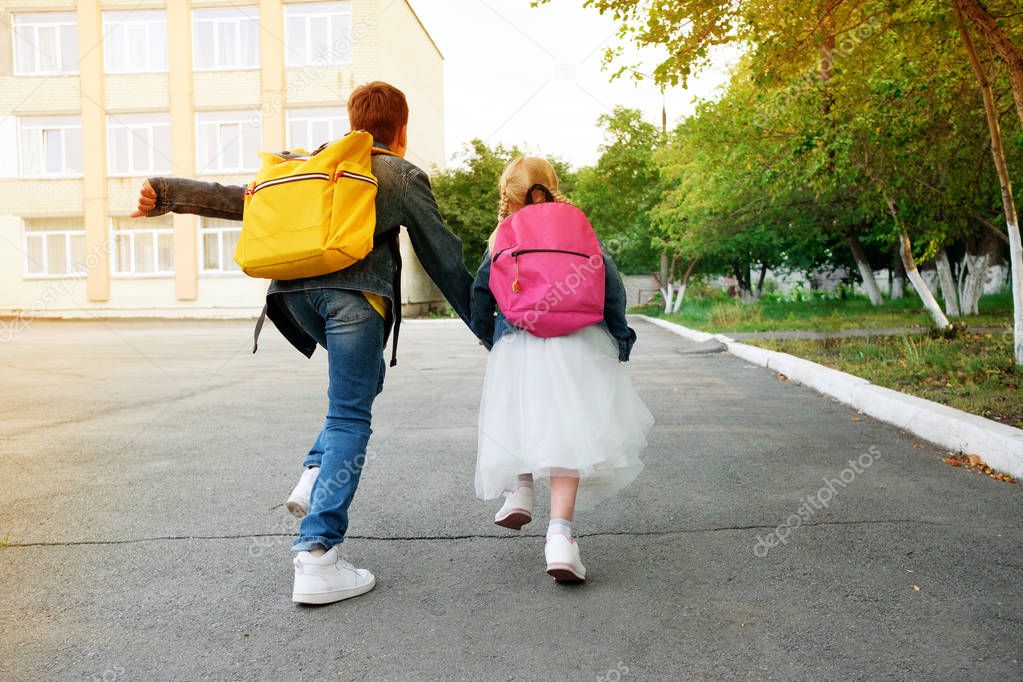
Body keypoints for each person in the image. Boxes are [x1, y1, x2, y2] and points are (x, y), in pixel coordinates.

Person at [132, 82, 476, 605]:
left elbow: (239, 199)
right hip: (354, 302)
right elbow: (444, 258)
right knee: (349, 415)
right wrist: (493, 329)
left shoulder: (314, 164)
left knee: (358, 390)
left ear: (352, 121)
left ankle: (315, 474)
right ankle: (317, 556)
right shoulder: (399, 174)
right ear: (402, 130)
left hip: (294, 299)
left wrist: (166, 191)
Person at [469, 156, 655, 583]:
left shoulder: (502, 234)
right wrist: (619, 336)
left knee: (521, 412)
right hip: (577, 340)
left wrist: (489, 337)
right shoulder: (575, 225)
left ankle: (520, 488)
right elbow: (609, 282)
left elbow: (481, 291)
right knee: (566, 433)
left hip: (520, 339)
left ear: (508, 195)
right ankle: (560, 538)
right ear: (552, 186)